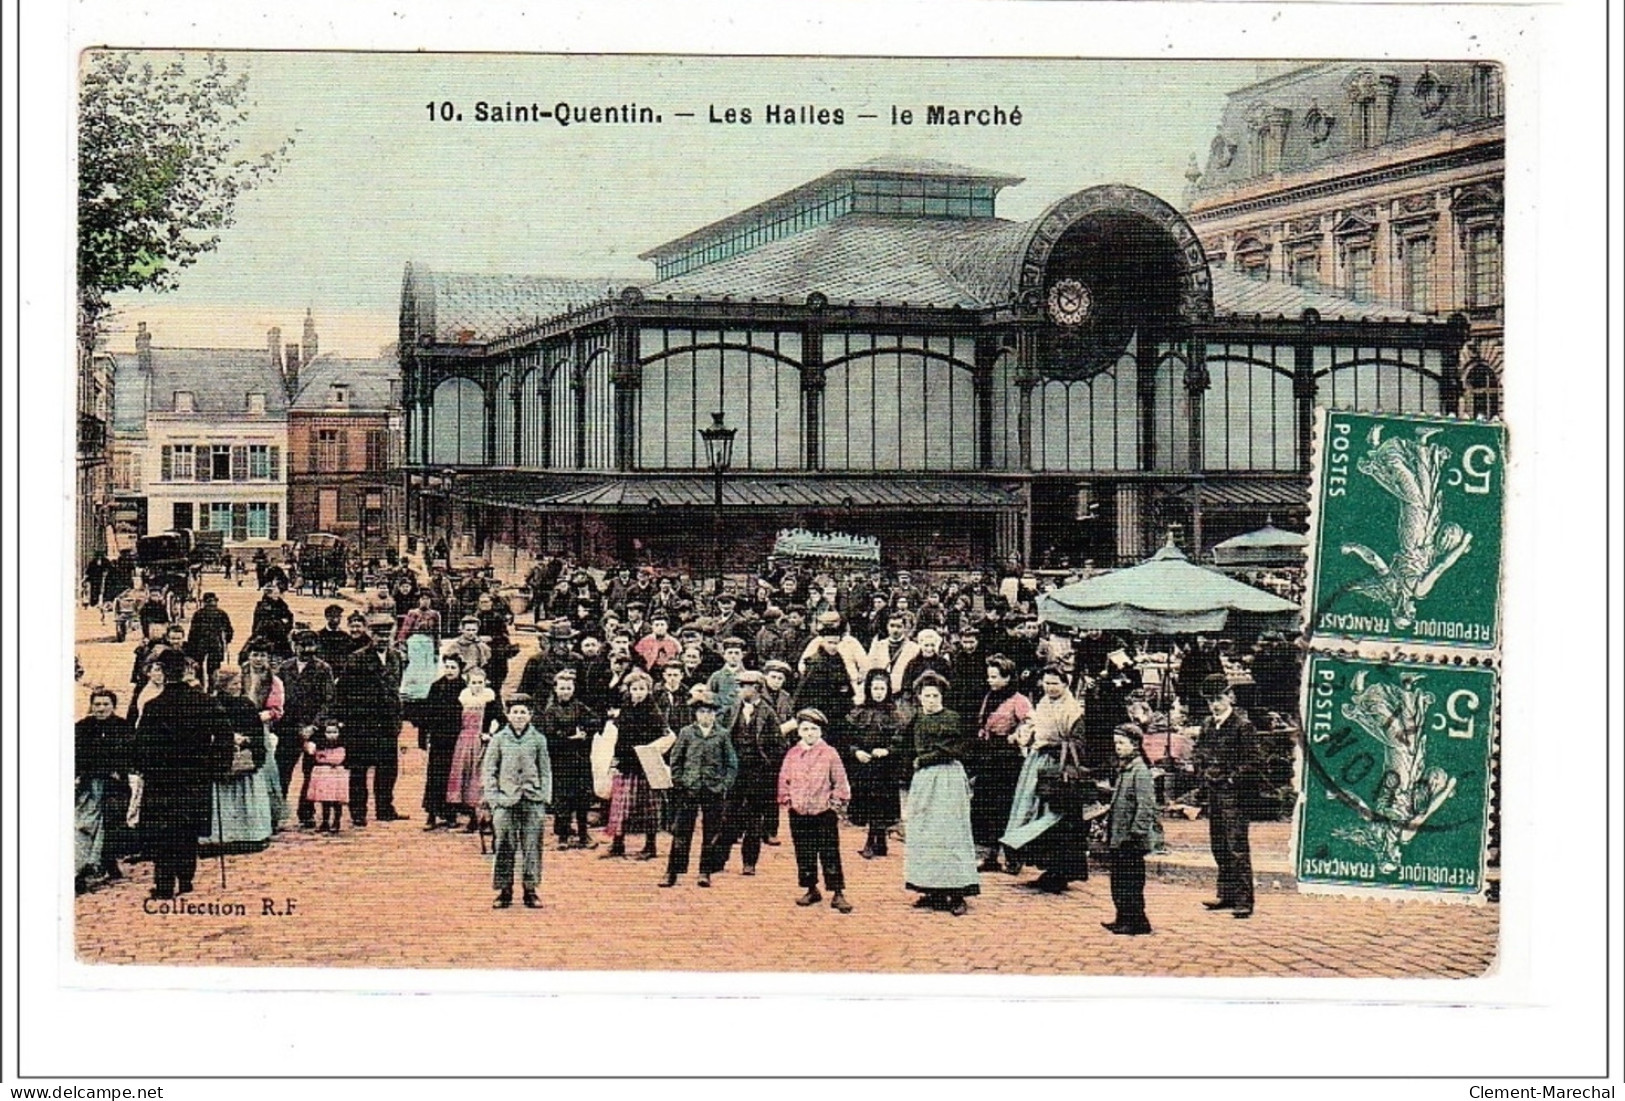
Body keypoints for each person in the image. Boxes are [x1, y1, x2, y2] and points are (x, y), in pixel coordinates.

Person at [128, 652, 227, 900]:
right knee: (188, 827)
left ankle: (164, 884)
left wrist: (144, 767)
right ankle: (185, 879)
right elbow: (225, 736)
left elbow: (139, 745)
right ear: (186, 671)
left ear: (164, 672)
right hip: (196, 775)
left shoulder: (154, 706)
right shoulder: (205, 702)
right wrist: (217, 766)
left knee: (164, 831)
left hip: (162, 778)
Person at [901, 671, 979, 915]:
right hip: (924, 780)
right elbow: (903, 745)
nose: (931, 700)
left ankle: (957, 892)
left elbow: (953, 748)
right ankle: (931, 889)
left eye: (935, 695)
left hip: (947, 777)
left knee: (950, 831)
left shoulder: (952, 718)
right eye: (926, 696)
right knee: (925, 831)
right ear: (919, 697)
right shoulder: (917, 719)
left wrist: (923, 759)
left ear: (942, 696)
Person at [1193, 675, 1260, 919]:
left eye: (1219, 698)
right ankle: (1226, 894)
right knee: (1219, 844)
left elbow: (1253, 761)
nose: (1215, 705)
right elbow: (1199, 751)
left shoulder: (1242, 726)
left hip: (1235, 795)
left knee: (1237, 847)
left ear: (1230, 696)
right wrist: (1202, 772)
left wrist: (1231, 778)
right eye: (1211, 700)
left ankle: (1244, 900)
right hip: (1214, 792)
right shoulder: (1208, 725)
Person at [778, 708, 854, 913]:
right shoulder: (793, 754)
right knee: (804, 851)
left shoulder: (830, 754)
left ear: (821, 731)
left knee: (829, 851)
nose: (810, 733)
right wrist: (788, 799)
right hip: (799, 811)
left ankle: (837, 891)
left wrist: (835, 803)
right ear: (799, 731)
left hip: (823, 812)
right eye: (805, 729)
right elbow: (784, 779)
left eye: (814, 729)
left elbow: (840, 781)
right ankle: (811, 888)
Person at [481, 695, 553, 909]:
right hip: (505, 800)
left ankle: (530, 889)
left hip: (532, 799)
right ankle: (504, 890)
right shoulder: (499, 739)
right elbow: (490, 770)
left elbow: (545, 770)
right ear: (507, 714)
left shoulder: (538, 739)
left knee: (532, 845)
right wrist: (494, 800)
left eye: (523, 712)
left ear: (530, 714)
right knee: (504, 844)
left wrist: (543, 796)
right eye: (515, 712)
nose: (519, 716)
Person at [333, 614, 406, 826]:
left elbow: (395, 689)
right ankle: (358, 812)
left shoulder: (395, 657)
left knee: (387, 769)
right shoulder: (356, 658)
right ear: (370, 635)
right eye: (378, 635)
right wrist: (347, 721)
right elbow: (344, 691)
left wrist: (397, 718)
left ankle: (385, 809)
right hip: (362, 724)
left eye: (387, 635)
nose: (383, 639)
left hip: (387, 724)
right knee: (359, 770)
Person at [659, 697, 737, 889]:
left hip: (712, 789)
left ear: (715, 715)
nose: (706, 716)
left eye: (710, 712)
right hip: (690, 789)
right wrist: (679, 781)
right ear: (695, 714)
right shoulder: (687, 733)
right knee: (681, 832)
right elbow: (676, 759)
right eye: (702, 712)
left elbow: (731, 763)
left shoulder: (722, 735)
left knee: (711, 832)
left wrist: (723, 784)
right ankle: (673, 871)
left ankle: (705, 871)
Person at [970, 655, 1032, 873]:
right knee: (987, 807)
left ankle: (1014, 857)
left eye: (995, 677)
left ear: (1007, 677)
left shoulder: (1019, 700)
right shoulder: (990, 697)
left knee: (1006, 807)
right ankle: (990, 855)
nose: (991, 681)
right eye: (989, 676)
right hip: (989, 756)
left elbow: (1030, 724)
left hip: (1008, 760)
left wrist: (1016, 736)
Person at [203, 668, 274, 849]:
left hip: (245, 756)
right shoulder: (213, 704)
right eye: (234, 684)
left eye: (239, 683)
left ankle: (250, 833)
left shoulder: (246, 704)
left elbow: (257, 730)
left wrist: (247, 739)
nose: (237, 687)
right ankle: (225, 833)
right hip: (222, 756)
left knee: (246, 794)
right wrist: (228, 737)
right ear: (223, 685)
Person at [722, 670, 783, 875]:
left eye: (743, 686)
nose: (739, 690)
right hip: (735, 773)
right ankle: (719, 860)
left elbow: (778, 745)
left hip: (758, 774)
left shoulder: (768, 713)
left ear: (755, 688)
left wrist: (768, 769)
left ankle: (749, 863)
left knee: (754, 821)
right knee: (728, 816)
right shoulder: (733, 709)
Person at [603, 670, 667, 860]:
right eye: (634, 689)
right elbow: (619, 735)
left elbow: (664, 736)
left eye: (642, 689)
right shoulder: (626, 709)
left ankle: (650, 846)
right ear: (629, 690)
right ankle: (617, 844)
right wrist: (616, 758)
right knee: (621, 805)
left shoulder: (653, 712)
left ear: (648, 690)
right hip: (627, 763)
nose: (638, 692)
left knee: (649, 807)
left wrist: (646, 751)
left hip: (647, 765)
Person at [1104, 723, 1160, 935]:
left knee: (1131, 882)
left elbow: (1146, 805)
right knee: (1119, 880)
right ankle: (1122, 917)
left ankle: (1136, 920)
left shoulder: (1140, 771)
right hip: (1120, 835)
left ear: (1135, 744)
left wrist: (1137, 832)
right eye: (1115, 743)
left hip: (1131, 839)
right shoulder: (1125, 768)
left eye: (1121, 743)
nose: (1117, 747)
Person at [841, 668, 904, 859]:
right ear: (869, 689)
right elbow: (846, 739)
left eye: (882, 688)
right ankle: (879, 841)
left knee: (881, 803)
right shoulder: (858, 712)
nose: (878, 692)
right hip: (864, 767)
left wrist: (887, 750)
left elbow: (901, 740)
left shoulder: (895, 714)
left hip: (885, 768)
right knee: (868, 803)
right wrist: (856, 752)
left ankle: (873, 841)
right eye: (875, 688)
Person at [75, 689, 132, 893]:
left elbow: (128, 753)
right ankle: (82, 870)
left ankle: (107, 861)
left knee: (110, 825)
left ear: (113, 706)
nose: (100, 708)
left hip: (113, 786)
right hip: (89, 785)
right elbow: (77, 756)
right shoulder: (82, 728)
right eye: (97, 704)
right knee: (86, 826)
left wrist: (119, 770)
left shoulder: (122, 727)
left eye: (105, 704)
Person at [276, 631, 335, 830]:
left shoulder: (323, 669)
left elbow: (328, 701)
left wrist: (314, 726)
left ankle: (306, 813)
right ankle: (277, 813)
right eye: (302, 645)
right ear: (295, 646)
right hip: (288, 729)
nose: (306, 650)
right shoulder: (285, 668)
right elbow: (278, 696)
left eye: (310, 645)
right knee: (282, 772)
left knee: (310, 773)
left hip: (312, 730)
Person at [539, 669, 598, 850]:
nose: (565, 691)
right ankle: (563, 836)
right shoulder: (551, 710)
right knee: (563, 799)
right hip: (561, 760)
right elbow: (549, 733)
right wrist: (568, 736)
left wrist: (584, 731)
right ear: (555, 689)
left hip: (580, 759)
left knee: (582, 798)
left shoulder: (579, 707)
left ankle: (583, 834)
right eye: (562, 688)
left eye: (568, 688)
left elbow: (595, 721)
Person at [446, 665, 505, 830]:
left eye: (480, 682)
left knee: (480, 780)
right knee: (464, 779)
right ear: (468, 682)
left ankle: (486, 819)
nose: (477, 685)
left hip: (482, 743)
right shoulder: (462, 699)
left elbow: (501, 720)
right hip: (464, 742)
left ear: (485, 683)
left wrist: (490, 734)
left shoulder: (490, 699)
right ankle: (471, 817)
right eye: (474, 682)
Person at [418, 655, 468, 829]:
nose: (449, 671)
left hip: (457, 739)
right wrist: (423, 736)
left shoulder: (464, 689)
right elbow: (426, 713)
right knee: (434, 775)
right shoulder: (436, 686)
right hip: (439, 738)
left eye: (453, 667)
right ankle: (431, 814)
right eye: (447, 667)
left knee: (452, 776)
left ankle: (451, 813)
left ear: (460, 669)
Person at [305, 717, 351, 832]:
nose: (331, 735)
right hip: (324, 776)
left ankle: (336, 821)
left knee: (336, 801)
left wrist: (325, 758)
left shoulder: (341, 745)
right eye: (328, 732)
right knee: (325, 801)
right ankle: (325, 821)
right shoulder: (320, 744)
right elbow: (314, 755)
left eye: (334, 732)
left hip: (336, 775)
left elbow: (337, 759)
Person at [185, 593, 234, 689]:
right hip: (216, 644)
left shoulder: (198, 614)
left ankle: (200, 687)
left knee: (198, 667)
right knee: (213, 668)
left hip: (200, 643)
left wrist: (191, 646)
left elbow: (193, 632)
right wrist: (226, 641)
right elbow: (229, 630)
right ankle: (212, 688)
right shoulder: (221, 613)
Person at [248, 583, 295, 659]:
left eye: (278, 593)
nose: (278, 595)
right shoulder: (263, 606)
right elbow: (262, 623)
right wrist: (281, 623)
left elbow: (289, 617)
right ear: (269, 595)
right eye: (275, 593)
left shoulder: (281, 604)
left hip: (282, 636)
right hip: (267, 637)